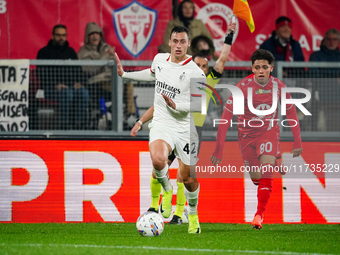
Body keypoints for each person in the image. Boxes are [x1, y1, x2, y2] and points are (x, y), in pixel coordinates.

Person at [130, 21, 236, 224]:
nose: (201, 69)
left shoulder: (209, 81)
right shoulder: (181, 78)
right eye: (198, 65)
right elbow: (159, 105)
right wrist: (140, 121)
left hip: (192, 131)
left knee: (183, 176)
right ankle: (154, 206)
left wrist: (229, 35)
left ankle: (178, 214)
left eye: (205, 66)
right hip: (171, 126)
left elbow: (222, 58)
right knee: (157, 167)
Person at [116, 26, 206, 234]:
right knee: (158, 159)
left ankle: (192, 215)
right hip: (163, 123)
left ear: (188, 44)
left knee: (190, 180)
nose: (178, 45)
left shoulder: (196, 72)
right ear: (170, 41)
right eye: (175, 41)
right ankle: (167, 189)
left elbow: (199, 104)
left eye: (182, 41)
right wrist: (125, 75)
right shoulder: (159, 60)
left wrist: (177, 106)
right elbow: (151, 74)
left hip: (184, 128)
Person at [210, 49, 303, 230]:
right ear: (252, 68)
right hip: (246, 138)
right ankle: (274, 157)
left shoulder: (279, 87)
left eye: (265, 67)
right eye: (257, 67)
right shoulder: (241, 88)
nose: (261, 71)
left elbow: (291, 113)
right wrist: (218, 148)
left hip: (268, 133)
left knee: (266, 171)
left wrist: (297, 141)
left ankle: (259, 214)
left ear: (271, 68)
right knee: (256, 179)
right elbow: (225, 118)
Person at [36, 24, 89, 130]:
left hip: (71, 88)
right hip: (51, 89)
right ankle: (64, 126)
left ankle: (79, 125)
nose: (61, 38)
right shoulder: (44, 52)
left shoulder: (71, 52)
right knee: (67, 93)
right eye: (58, 35)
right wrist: (55, 84)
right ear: (52, 36)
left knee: (84, 92)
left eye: (64, 35)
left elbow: (78, 70)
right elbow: (40, 72)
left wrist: (79, 82)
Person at [309, 28, 340, 131]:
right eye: (329, 39)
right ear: (325, 40)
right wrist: (336, 78)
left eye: (335, 39)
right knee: (321, 128)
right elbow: (314, 75)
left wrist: (326, 74)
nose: (332, 42)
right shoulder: (316, 56)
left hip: (337, 95)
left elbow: (320, 73)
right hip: (321, 94)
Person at [78, 22, 115, 101]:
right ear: (87, 37)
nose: (95, 36)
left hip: (111, 79)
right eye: (92, 34)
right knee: (116, 87)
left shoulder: (106, 48)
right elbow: (88, 70)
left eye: (97, 33)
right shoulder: (83, 52)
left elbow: (116, 66)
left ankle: (130, 112)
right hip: (96, 82)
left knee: (129, 85)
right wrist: (106, 56)